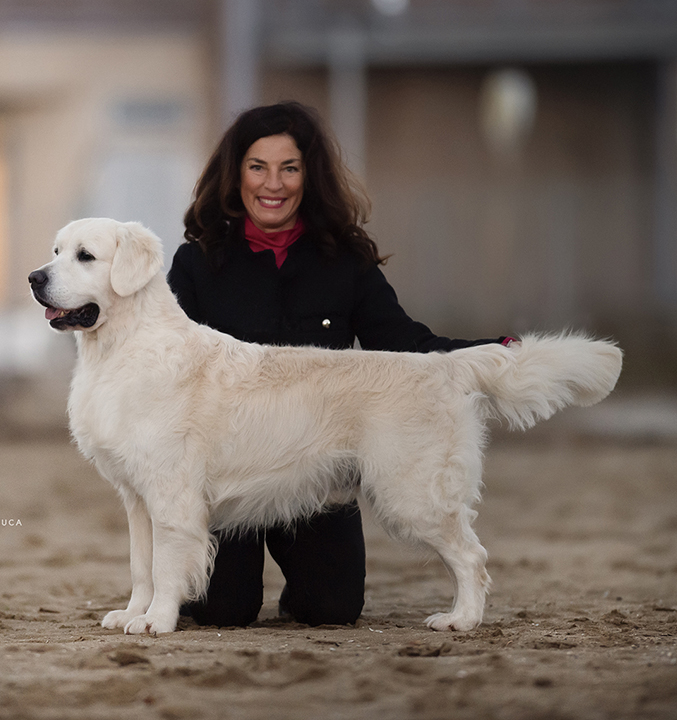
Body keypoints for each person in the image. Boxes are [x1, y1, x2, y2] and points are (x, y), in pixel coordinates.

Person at [166, 101, 512, 628]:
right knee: (221, 611)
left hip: (314, 470)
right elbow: (166, 361)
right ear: (235, 175)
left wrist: (496, 351)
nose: (272, 184)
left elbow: (403, 345)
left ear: (310, 176)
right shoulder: (196, 262)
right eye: (257, 167)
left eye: (289, 168)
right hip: (226, 480)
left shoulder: (344, 260)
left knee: (332, 609)